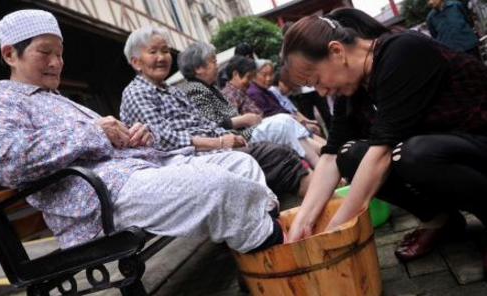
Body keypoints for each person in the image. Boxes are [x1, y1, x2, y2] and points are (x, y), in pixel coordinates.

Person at [0, 9, 286, 254]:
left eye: (60, 52)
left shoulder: (60, 101)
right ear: (11, 54)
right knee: (219, 185)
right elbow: (6, 160)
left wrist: (134, 137)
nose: (56, 62)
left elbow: (101, 141)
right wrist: (96, 132)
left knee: (240, 164)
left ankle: (257, 256)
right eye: (45, 52)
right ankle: (275, 250)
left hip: (138, 174)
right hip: (100, 201)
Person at [282, 8, 487, 272]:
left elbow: (381, 154)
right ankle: (440, 220)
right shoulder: (351, 89)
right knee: (349, 155)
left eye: (317, 80)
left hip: (478, 139)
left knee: (410, 154)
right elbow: (330, 155)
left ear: (337, 52)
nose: (321, 92)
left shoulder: (402, 51)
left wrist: (333, 234)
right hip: (447, 149)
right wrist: (302, 221)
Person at [119, 27, 311, 199]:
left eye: (165, 51)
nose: (161, 57)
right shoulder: (137, 92)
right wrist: (219, 141)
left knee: (278, 151)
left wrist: (228, 137)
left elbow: (205, 123)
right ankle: (282, 223)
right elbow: (160, 138)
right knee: (273, 154)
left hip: (210, 151)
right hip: (184, 161)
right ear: (136, 61)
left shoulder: (173, 90)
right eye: (153, 52)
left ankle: (317, 200)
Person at [177, 42, 320, 167]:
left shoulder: (210, 88)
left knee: (285, 119)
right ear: (198, 68)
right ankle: (319, 164)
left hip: (242, 132)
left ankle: (320, 162)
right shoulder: (194, 89)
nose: (217, 65)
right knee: (282, 124)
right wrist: (244, 119)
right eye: (213, 61)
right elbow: (210, 123)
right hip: (234, 138)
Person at [269, 68, 324, 137]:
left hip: (295, 123)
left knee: (316, 126)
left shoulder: (282, 94)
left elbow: (295, 111)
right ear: (281, 82)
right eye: (289, 87)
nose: (290, 91)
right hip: (289, 126)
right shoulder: (273, 92)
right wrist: (306, 123)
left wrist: (308, 121)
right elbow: (289, 114)